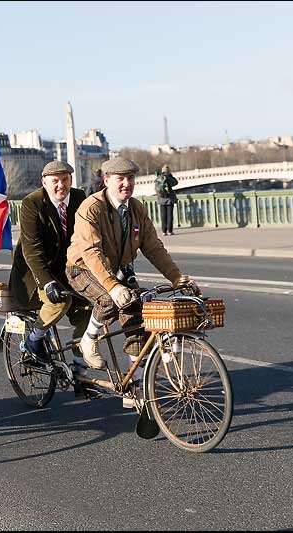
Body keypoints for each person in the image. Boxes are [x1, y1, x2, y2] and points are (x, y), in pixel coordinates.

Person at [65, 156, 200, 406]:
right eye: (120, 179)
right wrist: (112, 286)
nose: (126, 183)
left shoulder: (136, 208)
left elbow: (153, 247)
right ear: (107, 180)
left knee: (138, 318)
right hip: (82, 267)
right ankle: (88, 340)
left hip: (117, 270)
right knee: (109, 300)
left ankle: (134, 386)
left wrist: (176, 277)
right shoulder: (91, 207)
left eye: (130, 178)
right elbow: (91, 252)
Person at [8, 160, 90, 364]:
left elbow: (89, 237)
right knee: (60, 301)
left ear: (71, 180)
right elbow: (32, 250)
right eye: (55, 181)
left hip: (69, 269)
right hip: (36, 271)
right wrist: (47, 282)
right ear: (44, 182)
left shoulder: (80, 197)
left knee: (89, 310)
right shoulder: (32, 203)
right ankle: (33, 340)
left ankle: (79, 368)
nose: (61, 185)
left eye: (65, 180)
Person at [155, 164, 179, 235]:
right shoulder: (169, 178)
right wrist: (170, 176)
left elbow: (156, 187)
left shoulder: (159, 178)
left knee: (163, 216)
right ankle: (170, 231)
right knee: (169, 216)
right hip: (169, 199)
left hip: (161, 199)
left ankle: (164, 231)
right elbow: (176, 182)